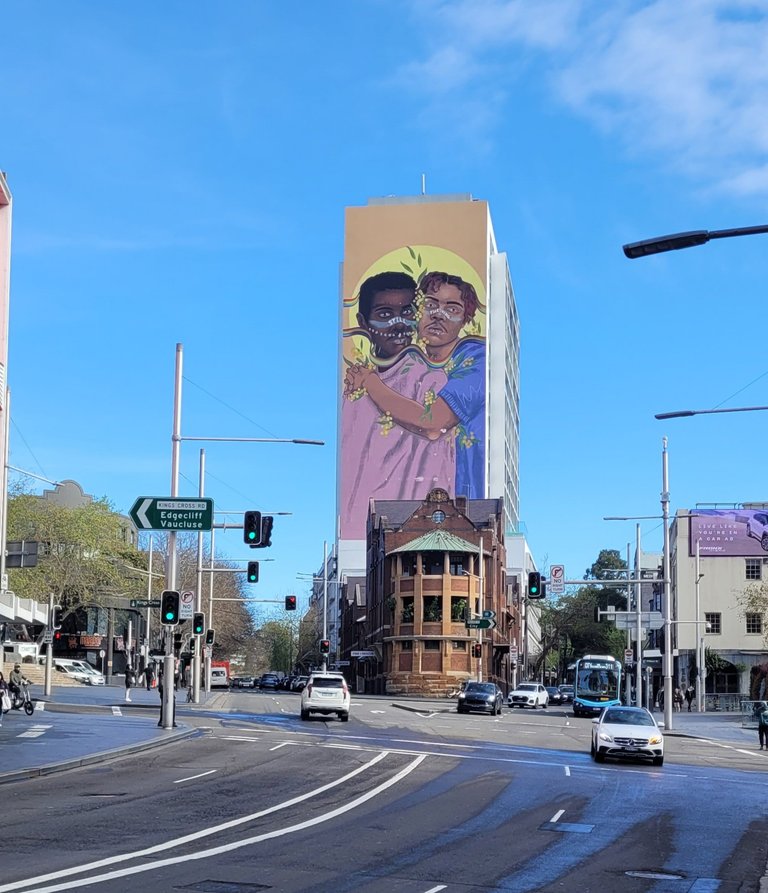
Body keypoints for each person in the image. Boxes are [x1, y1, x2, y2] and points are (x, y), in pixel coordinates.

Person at [345, 271, 486, 500]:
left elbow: (433, 423)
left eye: (452, 309)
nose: (438, 315)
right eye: (430, 305)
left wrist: (370, 382)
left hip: (468, 500)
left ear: (465, 319)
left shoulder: (477, 360)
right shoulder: (412, 364)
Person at [340, 271, 456, 537]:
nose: (398, 323)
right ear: (362, 322)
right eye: (384, 314)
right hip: (364, 533)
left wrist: (371, 383)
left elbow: (431, 425)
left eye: (407, 312)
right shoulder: (354, 390)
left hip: (417, 534)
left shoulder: (430, 379)